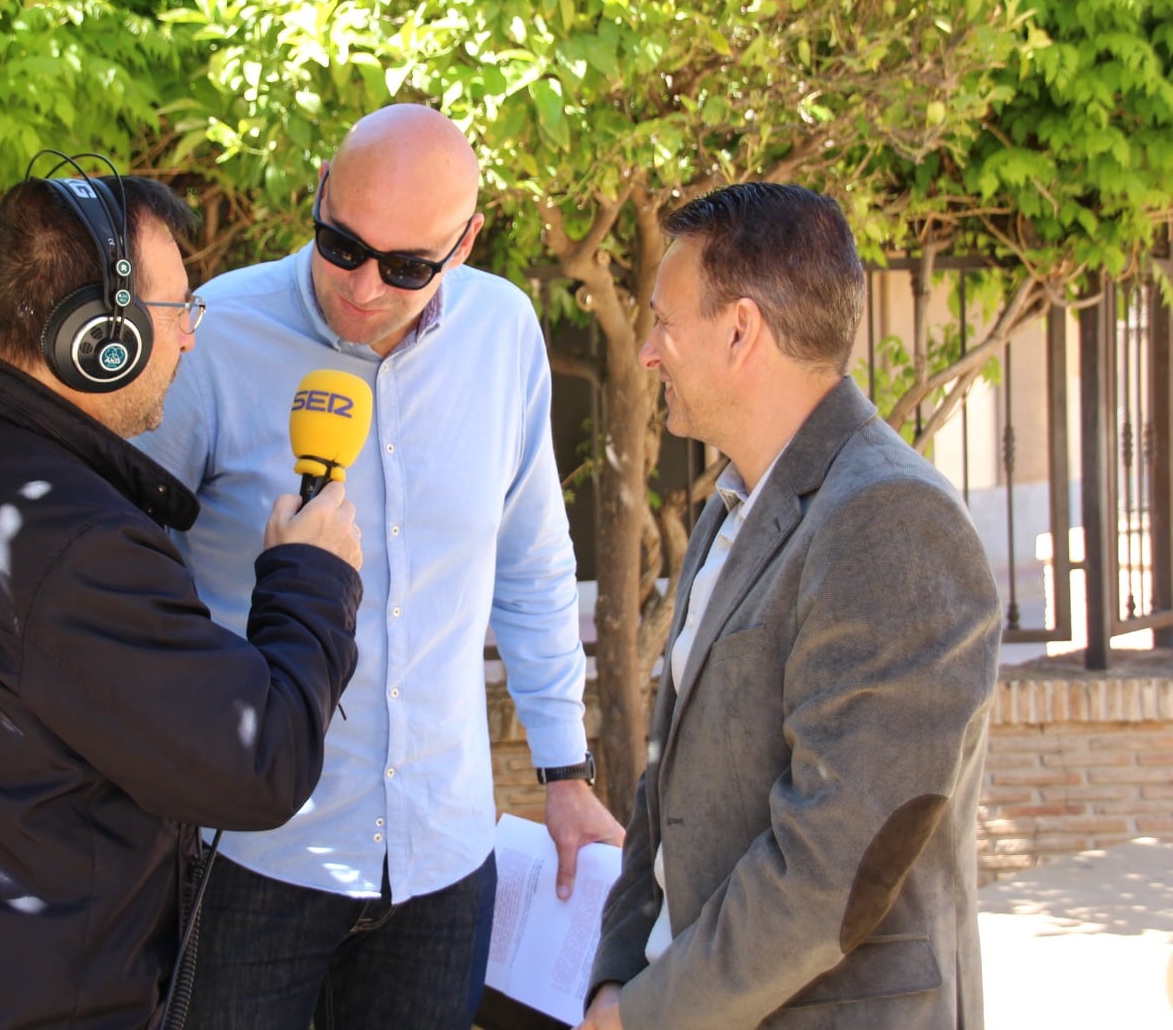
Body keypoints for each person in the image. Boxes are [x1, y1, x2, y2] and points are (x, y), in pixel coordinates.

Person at [0, 167, 365, 1029]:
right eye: (179, 309)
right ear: (96, 335)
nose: (190, 340)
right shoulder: (74, 548)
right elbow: (261, 765)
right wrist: (315, 576)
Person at [132, 103, 624, 1029]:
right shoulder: (213, 337)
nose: (361, 287)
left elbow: (531, 562)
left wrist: (566, 772)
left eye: (405, 267)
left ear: (466, 243)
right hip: (248, 858)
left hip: (442, 863)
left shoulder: (506, 334)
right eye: (340, 243)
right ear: (319, 193)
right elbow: (136, 575)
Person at [579, 182, 1002, 1029]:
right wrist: (613, 978)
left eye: (665, 322)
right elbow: (662, 800)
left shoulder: (891, 521)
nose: (649, 353)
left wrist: (644, 1015)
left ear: (741, 331)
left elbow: (836, 864)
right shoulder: (731, 508)